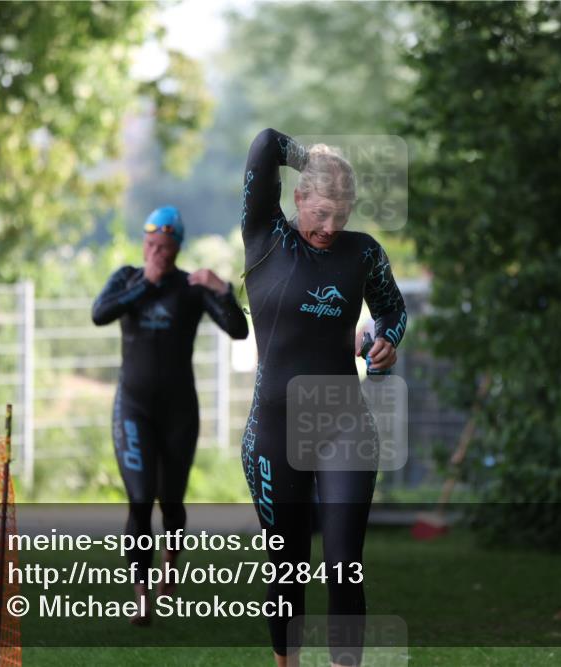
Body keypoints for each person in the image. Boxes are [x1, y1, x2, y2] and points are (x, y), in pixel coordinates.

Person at [238, 128, 407, 667]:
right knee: (287, 567)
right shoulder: (266, 237)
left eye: (341, 215)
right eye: (320, 213)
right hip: (274, 433)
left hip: (344, 427)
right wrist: (316, 159)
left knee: (342, 565)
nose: (330, 227)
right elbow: (265, 144)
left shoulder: (364, 253)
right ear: (298, 197)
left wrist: (385, 342)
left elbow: (392, 310)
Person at [91, 205, 249, 625]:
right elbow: (99, 313)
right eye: (150, 245)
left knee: (172, 502)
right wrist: (147, 283)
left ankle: (169, 569)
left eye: (164, 247)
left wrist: (222, 289)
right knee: (141, 500)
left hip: (179, 412)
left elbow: (238, 330)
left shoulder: (191, 287)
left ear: (177, 248)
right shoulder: (127, 278)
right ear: (143, 244)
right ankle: (142, 596)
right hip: (133, 409)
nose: (156, 253)